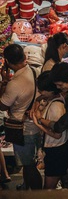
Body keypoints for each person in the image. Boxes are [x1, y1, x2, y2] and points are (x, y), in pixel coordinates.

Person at [0, 44, 41, 190]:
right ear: (24, 56)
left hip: (23, 130)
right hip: (34, 126)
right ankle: (26, 186)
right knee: (29, 162)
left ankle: (37, 193)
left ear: (8, 62)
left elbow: (3, 105)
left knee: (28, 166)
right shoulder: (33, 70)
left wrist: (4, 83)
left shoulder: (15, 83)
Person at [31, 71, 68, 189]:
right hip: (57, 149)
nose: (40, 92)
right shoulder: (55, 100)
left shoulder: (56, 107)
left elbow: (57, 134)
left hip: (57, 150)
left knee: (48, 189)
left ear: (51, 90)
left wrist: (38, 124)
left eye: (42, 90)